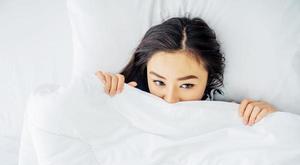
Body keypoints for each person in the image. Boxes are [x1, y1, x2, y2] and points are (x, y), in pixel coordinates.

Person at [95, 16, 277, 126]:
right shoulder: (128, 97)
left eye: (187, 85)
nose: (171, 99)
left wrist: (269, 119)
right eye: (159, 82)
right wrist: (101, 96)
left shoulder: (227, 114)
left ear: (209, 78)